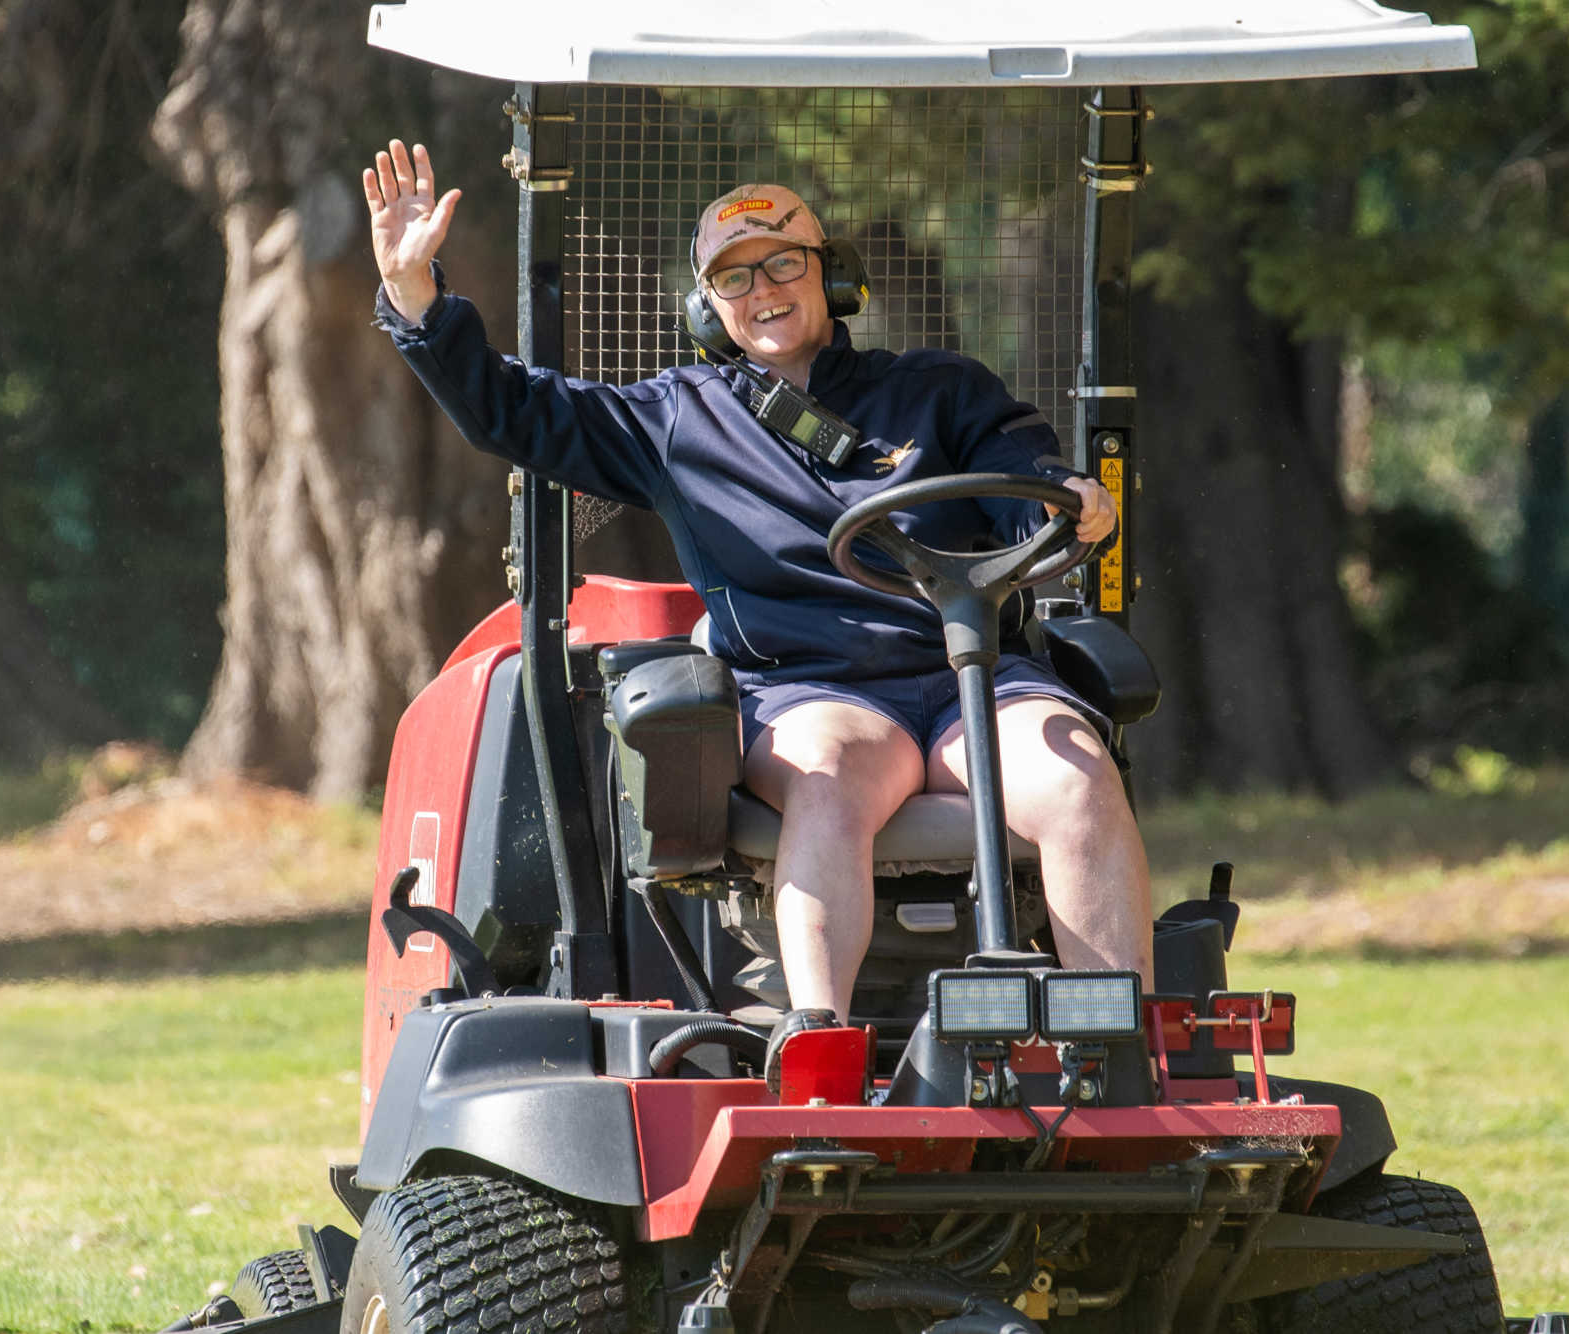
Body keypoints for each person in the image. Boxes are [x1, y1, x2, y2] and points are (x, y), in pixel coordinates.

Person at [365, 139, 1153, 1070]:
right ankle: (824, 1051)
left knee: (1077, 771)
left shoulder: (937, 392)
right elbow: (510, 412)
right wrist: (418, 295)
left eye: (784, 262)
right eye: (735, 277)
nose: (764, 288)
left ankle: (1116, 1052)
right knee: (825, 775)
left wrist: (1066, 495)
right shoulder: (673, 419)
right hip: (813, 692)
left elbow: (1023, 476)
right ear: (709, 306)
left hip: (967, 674)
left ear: (833, 277)